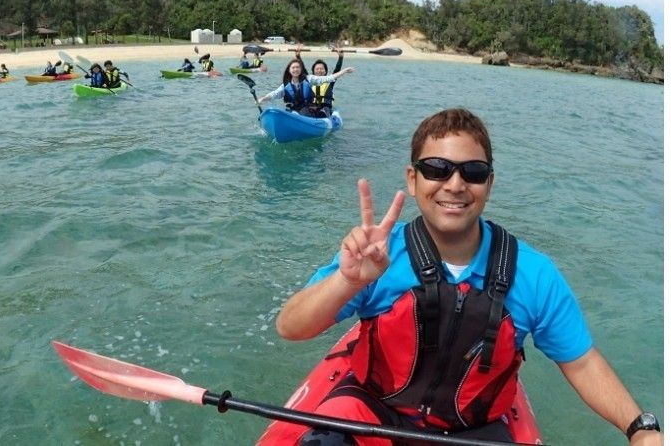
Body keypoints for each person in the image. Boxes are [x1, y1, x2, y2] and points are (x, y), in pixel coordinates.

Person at [276, 108, 662, 445]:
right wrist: (350, 281)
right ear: (413, 180)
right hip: (375, 413)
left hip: (472, 432)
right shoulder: (377, 254)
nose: (455, 184)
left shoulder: (533, 274)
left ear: (489, 185)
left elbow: (581, 361)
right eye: (436, 169)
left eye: (473, 172)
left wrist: (639, 427)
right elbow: (291, 327)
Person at [257, 57, 354, 118]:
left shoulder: (309, 79)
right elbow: (275, 94)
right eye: (293, 68)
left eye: (298, 67)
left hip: (307, 110)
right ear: (289, 70)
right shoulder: (286, 85)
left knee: (304, 113)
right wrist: (263, 99)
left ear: (301, 69)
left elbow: (329, 78)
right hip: (293, 110)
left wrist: (344, 70)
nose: (295, 69)